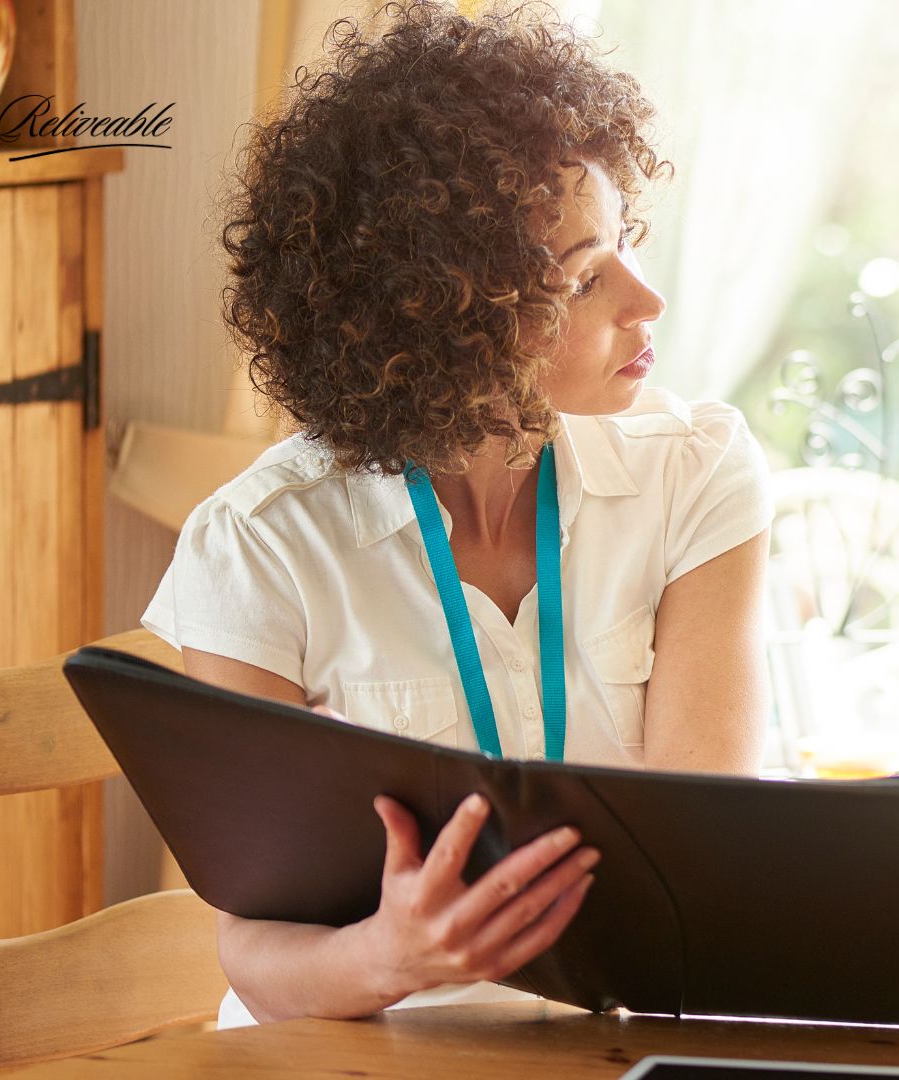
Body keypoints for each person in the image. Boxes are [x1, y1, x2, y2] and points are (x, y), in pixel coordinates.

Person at [141, 0, 771, 1026]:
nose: (646, 302)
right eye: (583, 279)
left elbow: (704, 856)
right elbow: (258, 955)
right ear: (438, 318)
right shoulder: (258, 547)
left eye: (625, 245)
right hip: (368, 1049)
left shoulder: (697, 476)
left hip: (619, 1038)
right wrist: (391, 956)